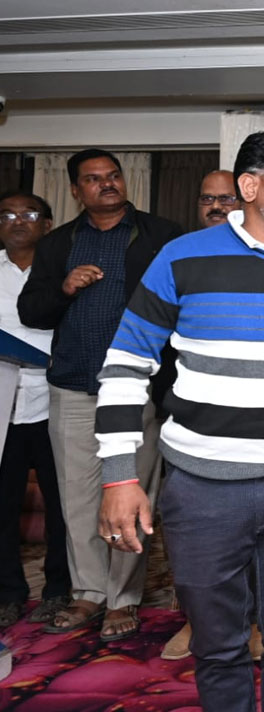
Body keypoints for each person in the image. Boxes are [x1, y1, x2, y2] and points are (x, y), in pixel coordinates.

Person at [94, 128, 264, 712]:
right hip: (200, 489)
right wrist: (119, 474)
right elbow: (126, 364)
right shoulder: (182, 258)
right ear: (250, 186)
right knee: (218, 646)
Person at [18, 148, 183, 640]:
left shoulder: (161, 235)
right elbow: (32, 311)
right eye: (93, 179)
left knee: (132, 495)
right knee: (77, 499)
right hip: (73, 385)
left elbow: (184, 304)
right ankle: (89, 592)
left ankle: (123, 598)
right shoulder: (58, 244)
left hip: (138, 389)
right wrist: (65, 288)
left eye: (113, 176)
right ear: (75, 191)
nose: (107, 184)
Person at [161, 167, 257, 662]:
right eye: (206, 199)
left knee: (252, 536)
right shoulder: (180, 256)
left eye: (226, 198)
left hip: (260, 424)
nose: (216, 206)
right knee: (197, 538)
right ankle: (196, 621)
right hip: (193, 423)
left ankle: (254, 623)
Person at [0, 191, 70, 629]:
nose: (17, 221)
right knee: (2, 507)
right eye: (7, 214)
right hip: (3, 407)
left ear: (47, 224)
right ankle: (8, 593)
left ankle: (59, 591)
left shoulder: (63, 271)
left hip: (53, 401)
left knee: (63, 506)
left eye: (28, 213)